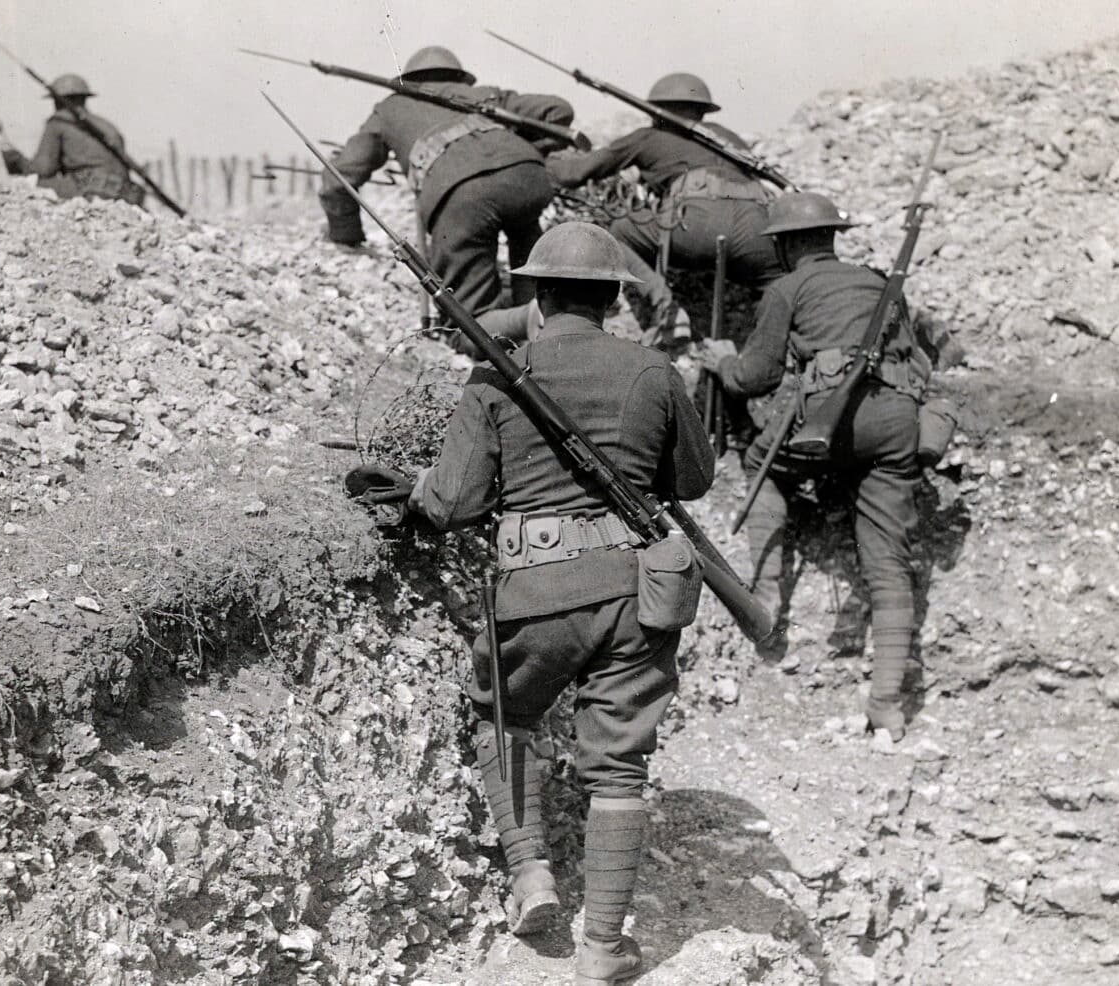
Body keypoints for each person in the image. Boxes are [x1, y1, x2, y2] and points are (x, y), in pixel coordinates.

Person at [395, 223, 713, 983]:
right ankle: (603, 948)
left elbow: (456, 501)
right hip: (637, 594)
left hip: (535, 593)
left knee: (504, 715)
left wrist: (408, 489)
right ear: (612, 298)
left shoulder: (499, 372)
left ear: (537, 295)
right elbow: (694, 480)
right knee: (620, 769)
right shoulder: (653, 370)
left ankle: (530, 871)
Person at [695, 192, 930, 740]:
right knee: (888, 563)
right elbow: (916, 356)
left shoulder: (786, 288)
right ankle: (887, 704)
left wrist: (722, 362)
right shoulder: (879, 282)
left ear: (790, 243)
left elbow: (756, 376)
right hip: (896, 423)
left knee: (763, 465)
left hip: (833, 422)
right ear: (829, 237)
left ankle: (768, 594)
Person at [319, 46, 574, 348]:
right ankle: (546, 314)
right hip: (528, 177)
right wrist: (518, 151)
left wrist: (346, 235)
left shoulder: (390, 108)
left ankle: (524, 318)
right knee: (523, 225)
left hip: (463, 196)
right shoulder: (484, 94)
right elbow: (559, 110)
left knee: (468, 326)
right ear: (458, 76)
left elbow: (339, 179)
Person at [548, 72, 783, 348]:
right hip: (757, 229)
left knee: (619, 232)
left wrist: (544, 160)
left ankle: (667, 310)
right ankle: (776, 343)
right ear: (702, 110)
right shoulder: (728, 138)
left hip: (697, 225)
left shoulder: (648, 137)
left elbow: (575, 174)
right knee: (773, 283)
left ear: (657, 108)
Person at [0, 73, 145, 206]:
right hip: (124, 194)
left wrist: (9, 152)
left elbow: (42, 169)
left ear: (57, 100)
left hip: (91, 190)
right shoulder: (107, 125)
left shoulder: (59, 123)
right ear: (84, 99)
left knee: (29, 184)